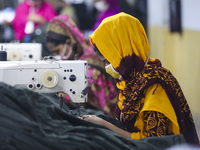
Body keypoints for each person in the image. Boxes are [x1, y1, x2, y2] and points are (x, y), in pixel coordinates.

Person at [83, 12, 199, 145]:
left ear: (124, 51)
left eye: (108, 62)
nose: (107, 68)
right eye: (104, 62)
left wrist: (104, 124)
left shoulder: (155, 86)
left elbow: (152, 142)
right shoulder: (130, 81)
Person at [45, 14, 118, 116]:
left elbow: (79, 95)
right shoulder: (81, 56)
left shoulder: (90, 69)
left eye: (57, 51)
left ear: (69, 42)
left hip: (108, 119)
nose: (56, 56)